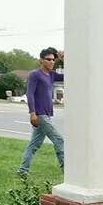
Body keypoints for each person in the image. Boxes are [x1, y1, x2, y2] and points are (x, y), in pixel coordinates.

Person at [18, 47, 65, 175]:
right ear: (41, 60)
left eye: (53, 60)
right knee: (59, 140)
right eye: (48, 59)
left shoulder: (51, 75)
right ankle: (65, 170)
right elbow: (30, 94)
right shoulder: (35, 74)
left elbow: (69, 76)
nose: (51, 62)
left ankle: (22, 171)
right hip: (40, 114)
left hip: (47, 114)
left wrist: (63, 59)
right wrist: (32, 113)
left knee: (33, 145)